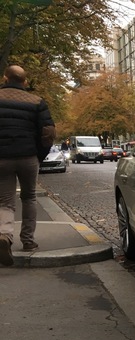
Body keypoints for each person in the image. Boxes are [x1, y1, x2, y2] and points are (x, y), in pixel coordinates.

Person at [0, 65, 56, 266]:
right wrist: (39, 155)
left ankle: (5, 236)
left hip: (2, 158)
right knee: (29, 197)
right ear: (24, 81)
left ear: (5, 78)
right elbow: (48, 132)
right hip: (28, 157)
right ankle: (28, 241)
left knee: (5, 200)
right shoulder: (37, 101)